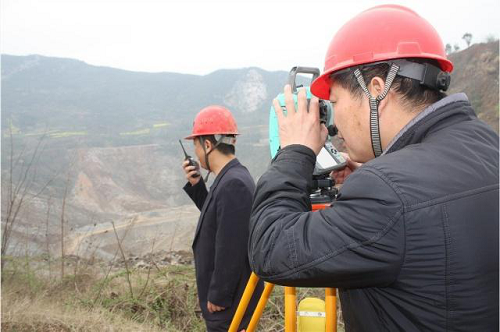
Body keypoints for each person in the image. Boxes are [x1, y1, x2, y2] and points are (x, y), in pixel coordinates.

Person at [248, 4, 498, 331]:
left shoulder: (386, 192)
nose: (334, 123)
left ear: (376, 90)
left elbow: (271, 247)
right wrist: (369, 181)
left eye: (335, 103)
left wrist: (295, 151)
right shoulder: (487, 144)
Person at [182, 105, 264, 332]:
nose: (196, 154)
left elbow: (231, 246)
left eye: (196, 146)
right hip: (231, 302)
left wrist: (218, 295)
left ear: (207, 145)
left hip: (229, 305)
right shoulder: (231, 178)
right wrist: (198, 186)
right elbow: (221, 222)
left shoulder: (233, 184)